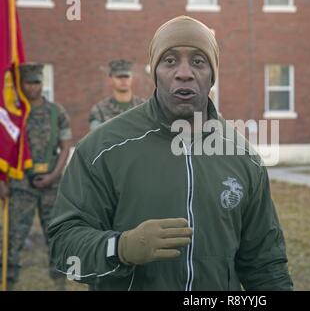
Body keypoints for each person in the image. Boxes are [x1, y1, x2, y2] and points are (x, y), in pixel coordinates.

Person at [48, 16, 293, 291]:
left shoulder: (243, 157)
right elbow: (63, 246)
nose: (184, 72)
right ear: (155, 71)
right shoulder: (101, 150)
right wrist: (120, 248)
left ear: (213, 75)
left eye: (199, 61)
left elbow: (265, 264)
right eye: (170, 61)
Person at [0, 63, 72, 290]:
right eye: (29, 82)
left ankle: (60, 284)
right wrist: (2, 181)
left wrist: (54, 175)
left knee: (57, 239)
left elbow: (65, 145)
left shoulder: (56, 112)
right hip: (21, 186)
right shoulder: (13, 114)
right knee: (12, 240)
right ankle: (8, 282)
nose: (34, 87)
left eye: (37, 82)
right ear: (21, 84)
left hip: (51, 186)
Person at [89, 59, 144, 131]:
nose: (123, 80)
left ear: (132, 78)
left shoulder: (143, 107)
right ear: (110, 79)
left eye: (126, 76)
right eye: (119, 77)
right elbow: (96, 139)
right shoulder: (99, 110)